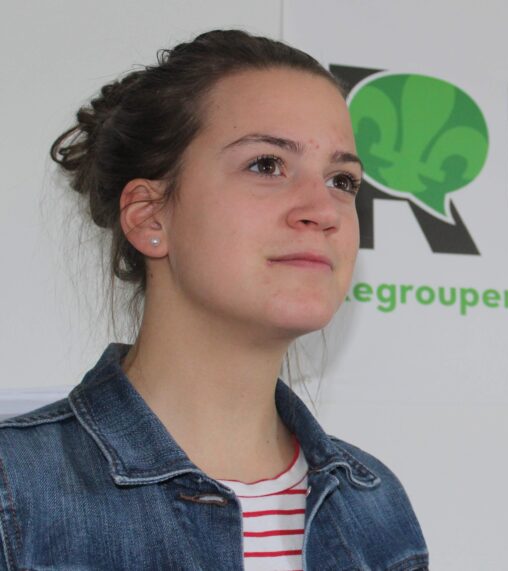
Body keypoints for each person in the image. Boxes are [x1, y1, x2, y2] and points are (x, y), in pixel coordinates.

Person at [0, 30, 428, 570]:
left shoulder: (376, 505)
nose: (324, 210)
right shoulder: (15, 491)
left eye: (343, 180)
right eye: (267, 164)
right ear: (149, 217)